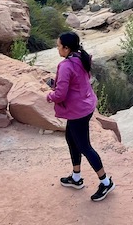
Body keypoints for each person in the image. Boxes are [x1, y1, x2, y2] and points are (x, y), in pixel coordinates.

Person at [45, 31, 115, 202]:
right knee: (71, 138)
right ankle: (76, 178)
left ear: (66, 48)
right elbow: (76, 83)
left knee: (84, 146)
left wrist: (49, 95)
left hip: (78, 111)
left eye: (59, 46)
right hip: (85, 105)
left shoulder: (66, 65)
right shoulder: (81, 57)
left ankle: (105, 182)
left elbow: (60, 95)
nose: (57, 49)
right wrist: (56, 84)